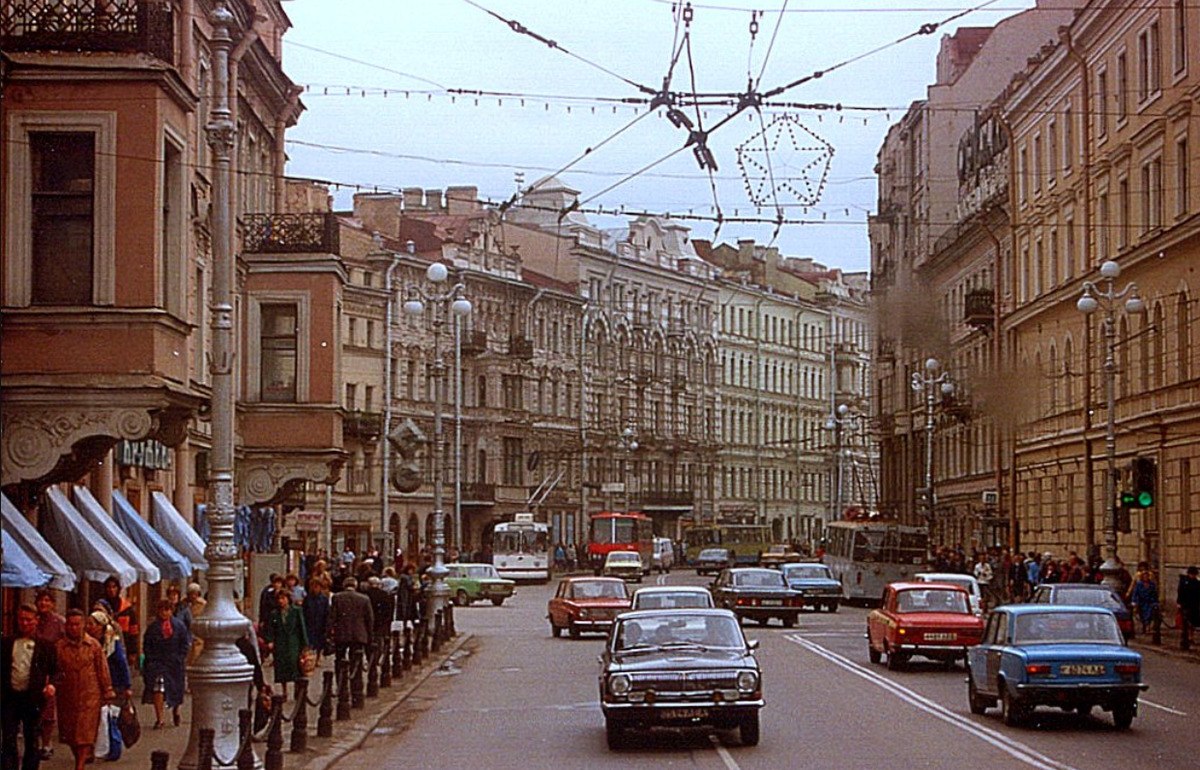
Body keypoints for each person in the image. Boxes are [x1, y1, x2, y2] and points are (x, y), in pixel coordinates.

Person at [55, 609, 114, 770]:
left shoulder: (93, 645)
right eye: (71, 624)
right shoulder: (60, 647)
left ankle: (79, 765)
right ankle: (80, 756)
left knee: (85, 733)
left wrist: (107, 689)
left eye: (77, 624)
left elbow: (102, 668)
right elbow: (54, 670)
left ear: (83, 626)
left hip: (90, 695)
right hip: (67, 695)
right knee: (71, 734)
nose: (74, 628)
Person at [2, 603, 57, 770]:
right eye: (21, 619)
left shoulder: (45, 646)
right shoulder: (6, 643)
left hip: (32, 698)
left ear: (36, 621)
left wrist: (51, 685)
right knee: (9, 737)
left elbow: (56, 671)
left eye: (28, 620)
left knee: (31, 737)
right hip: (10, 696)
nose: (24, 623)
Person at [142, 599, 189, 728]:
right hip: (158, 664)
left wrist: (180, 657)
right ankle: (160, 718)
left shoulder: (179, 626)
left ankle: (176, 710)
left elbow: (185, 644)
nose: (164, 613)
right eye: (162, 610)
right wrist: (150, 659)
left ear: (171, 611)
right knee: (158, 688)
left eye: (167, 610)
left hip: (174, 664)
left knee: (176, 689)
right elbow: (147, 645)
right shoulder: (153, 627)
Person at [34, 590, 65, 761]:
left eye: (47, 600)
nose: (44, 604)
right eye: (41, 600)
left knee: (48, 710)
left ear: (53, 603)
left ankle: (47, 743)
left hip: (50, 669)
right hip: (31, 668)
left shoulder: (59, 622)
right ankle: (35, 743)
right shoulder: (33, 620)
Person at [263, 589, 308, 701]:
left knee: (295, 665)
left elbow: (301, 627)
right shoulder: (274, 614)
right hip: (280, 643)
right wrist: (270, 641)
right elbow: (270, 629)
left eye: (283, 598)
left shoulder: (296, 611)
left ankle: (298, 690)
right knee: (281, 667)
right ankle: (284, 691)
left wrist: (305, 644)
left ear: (288, 599)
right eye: (279, 599)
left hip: (293, 642)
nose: (281, 601)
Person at [328, 576, 373, 681]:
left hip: (341, 633)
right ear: (356, 586)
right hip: (359, 634)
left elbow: (332, 617)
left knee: (339, 658)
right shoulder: (364, 599)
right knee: (356, 659)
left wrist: (329, 633)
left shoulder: (337, 598)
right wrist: (369, 635)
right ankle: (356, 681)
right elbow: (369, 619)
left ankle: (340, 679)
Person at [86, 611, 132, 703]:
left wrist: (127, 686)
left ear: (100, 626)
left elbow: (122, 663)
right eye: (87, 624)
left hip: (114, 683)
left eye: (91, 624)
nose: (88, 627)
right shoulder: (87, 642)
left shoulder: (112, 643)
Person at [303, 576, 331, 661]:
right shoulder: (308, 598)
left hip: (320, 622)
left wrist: (327, 624)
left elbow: (327, 612)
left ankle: (318, 657)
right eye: (313, 586)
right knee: (309, 641)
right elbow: (304, 611)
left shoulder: (324, 599)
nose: (315, 589)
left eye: (317, 586)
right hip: (310, 622)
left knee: (319, 642)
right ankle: (309, 657)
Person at [1129, 570, 1160, 636]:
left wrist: (1156, 602)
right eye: (1144, 576)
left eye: (1147, 576)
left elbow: (1155, 594)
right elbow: (1135, 593)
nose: (1146, 577)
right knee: (1143, 616)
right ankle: (1145, 627)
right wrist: (1134, 601)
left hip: (1150, 602)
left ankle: (1148, 627)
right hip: (1141, 603)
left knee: (1150, 615)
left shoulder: (1152, 584)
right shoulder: (1139, 584)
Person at [1178, 566, 1200, 651]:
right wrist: (1179, 603)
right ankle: (1185, 638)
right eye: (1192, 574)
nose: (1193, 576)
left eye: (1194, 574)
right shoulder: (1184, 582)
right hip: (1185, 604)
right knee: (1186, 622)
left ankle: (1191, 637)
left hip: (1194, 604)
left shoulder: (1197, 582)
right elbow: (1180, 592)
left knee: (1193, 622)